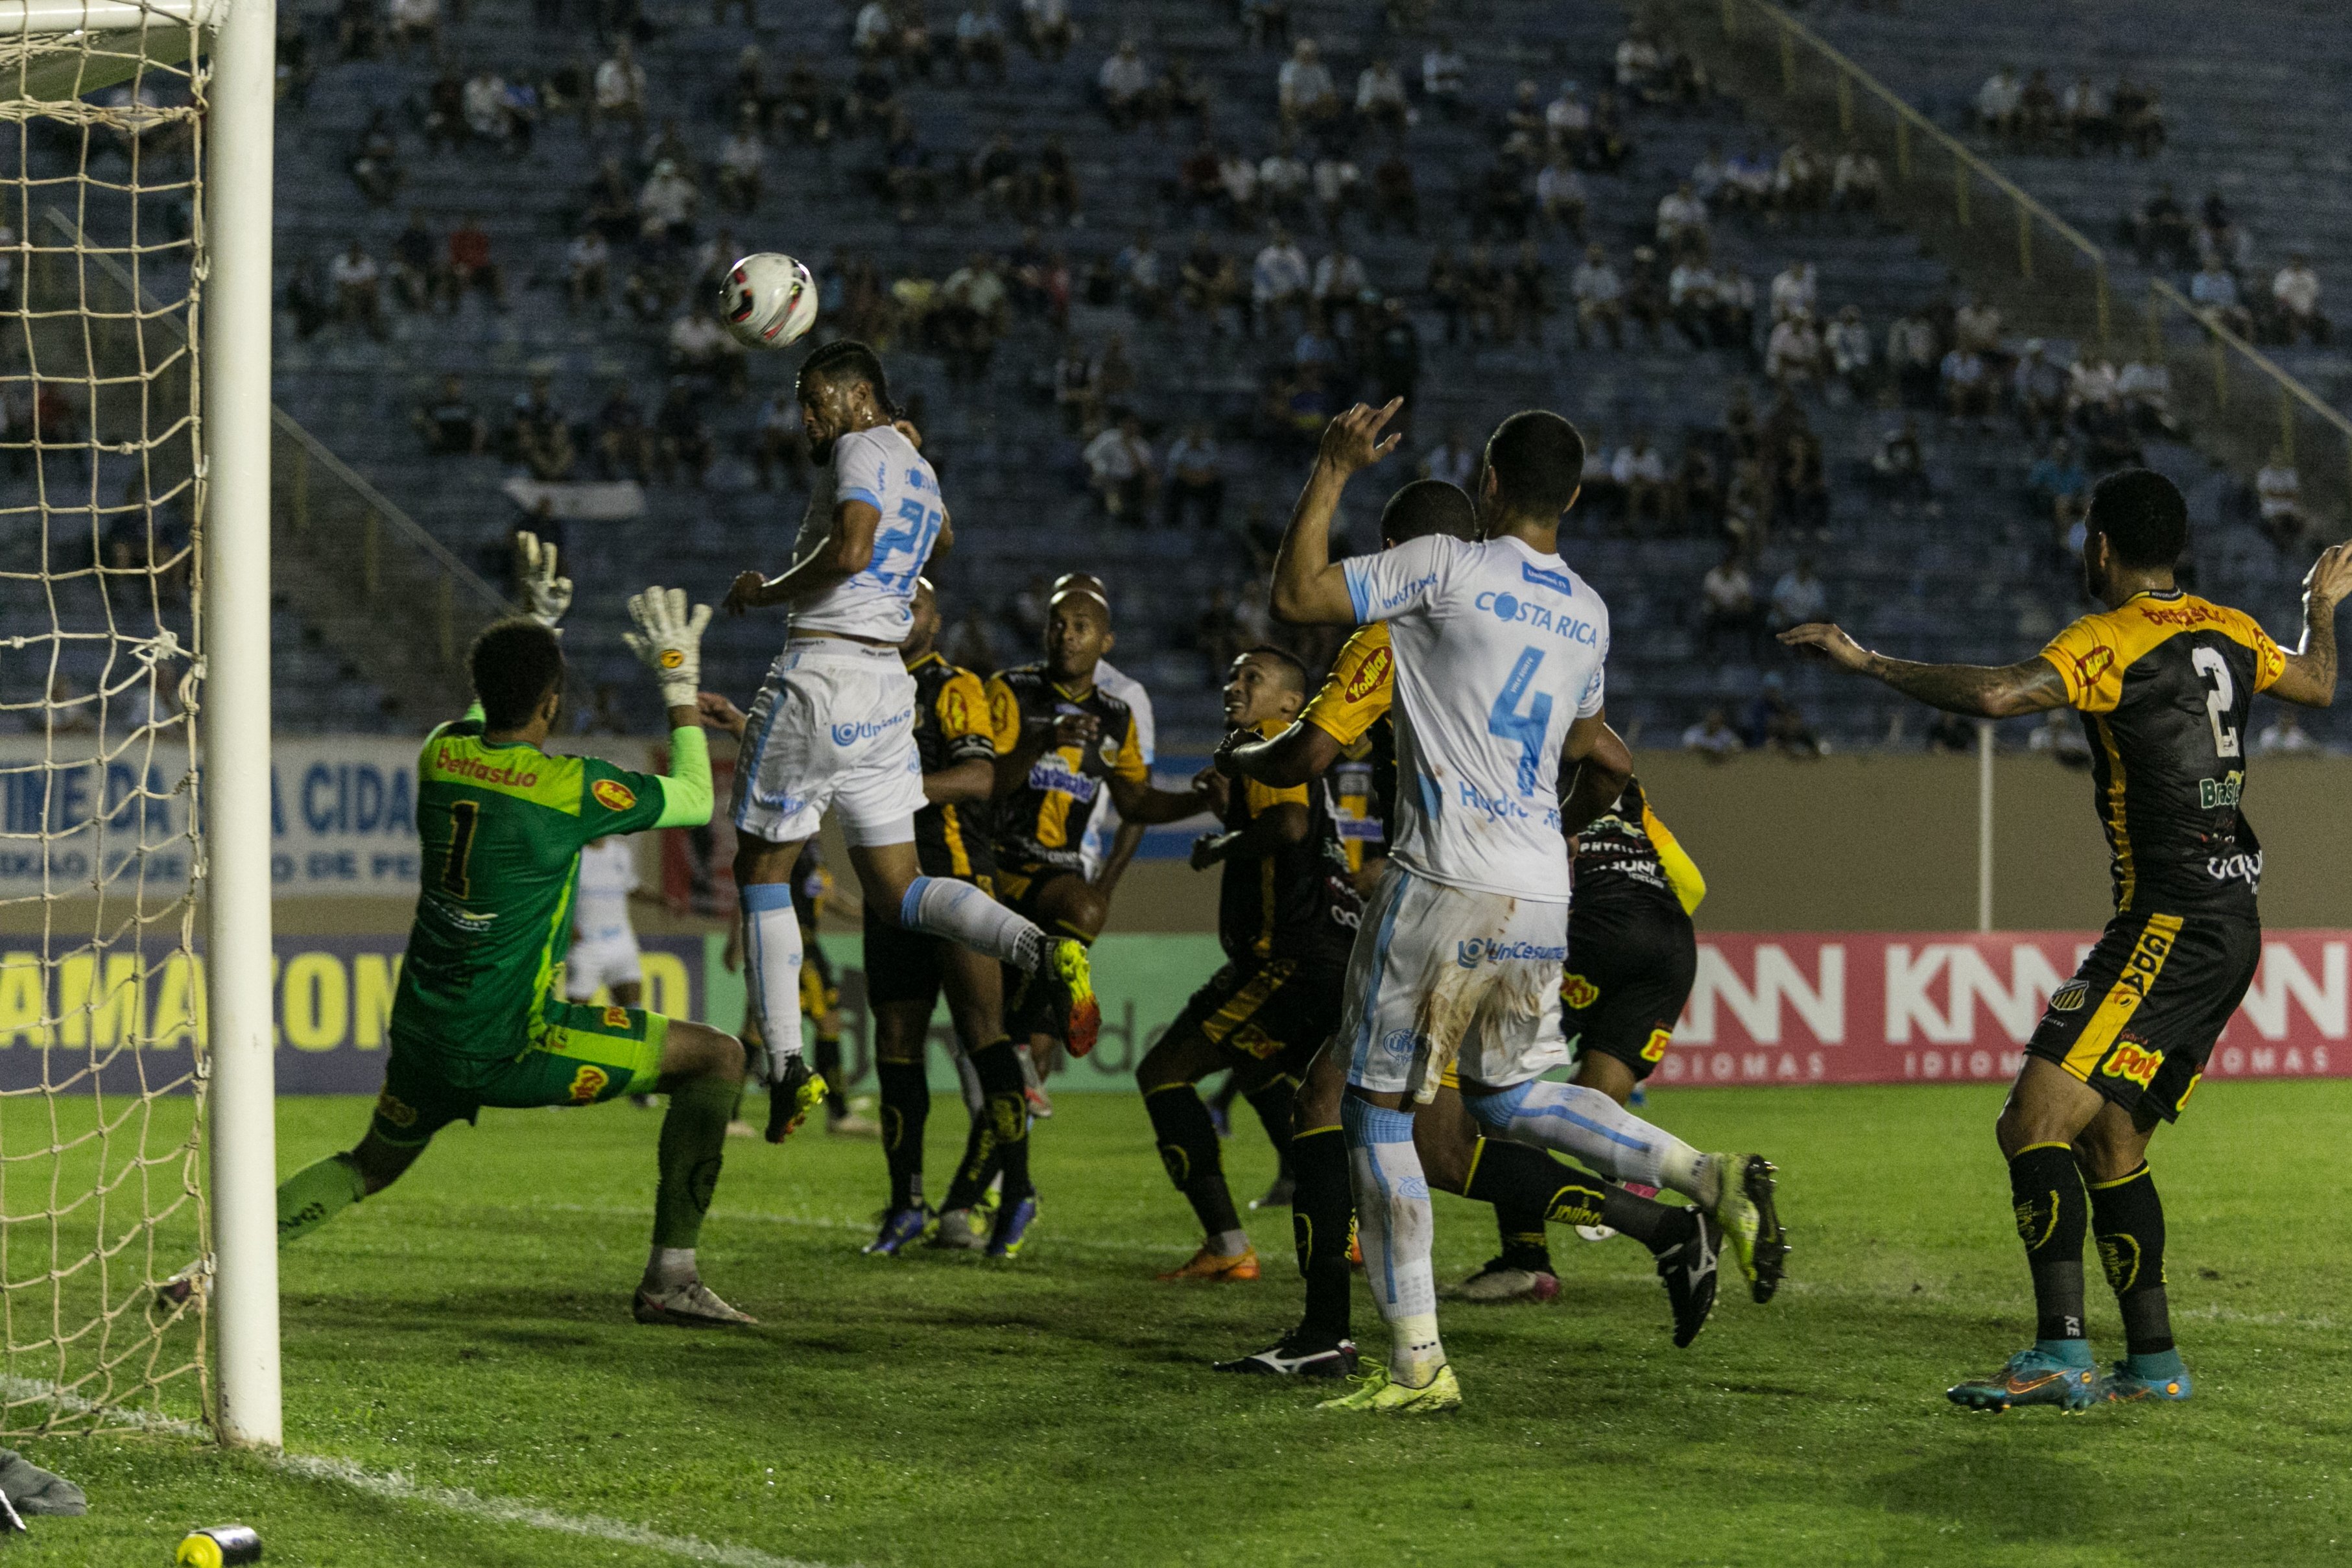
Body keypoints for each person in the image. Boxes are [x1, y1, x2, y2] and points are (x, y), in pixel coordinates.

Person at [1783, 471, 2351, 1411]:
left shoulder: (2106, 639)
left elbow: (2003, 695)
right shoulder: (2230, 628)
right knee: (2110, 1137)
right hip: (2229, 920)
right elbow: (2320, 683)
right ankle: (2154, 1360)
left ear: (2097, 548)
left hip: (2167, 923)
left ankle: (2056, 1350)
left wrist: (1869, 663)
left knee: (2032, 1118)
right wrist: (2317, 609)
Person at [1263, 401, 1787, 1411]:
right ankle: (1701, 1173)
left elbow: (1296, 591)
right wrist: (1527, 821)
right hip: (1541, 884)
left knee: (1374, 1114)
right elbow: (1593, 746)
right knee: (1507, 1098)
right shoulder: (1588, 610)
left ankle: (1417, 1363)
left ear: (1488, 484)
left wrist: (1331, 467)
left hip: (1438, 877)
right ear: (1575, 498)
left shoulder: (1441, 566)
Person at [274, 540, 765, 1325]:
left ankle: (220, 1268)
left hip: (426, 1038)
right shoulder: (567, 789)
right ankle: (671, 1277)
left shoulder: (442, 755)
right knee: (719, 1057)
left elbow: (486, 713)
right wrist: (679, 681)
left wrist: (530, 629)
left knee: (367, 1164)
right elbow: (697, 797)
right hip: (513, 1043)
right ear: (551, 706)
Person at [718, 341, 1102, 1170]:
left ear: (860, 398)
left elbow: (853, 551)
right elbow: (943, 545)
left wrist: (765, 590)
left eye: (816, 400)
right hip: (887, 688)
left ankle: (786, 1066)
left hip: (821, 669)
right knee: (898, 889)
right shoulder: (919, 468)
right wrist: (905, 457)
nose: (807, 419)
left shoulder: (859, 446)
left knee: (760, 870)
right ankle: (1043, 951)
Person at [841, 578, 1057, 1256]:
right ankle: (906, 1203)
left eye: (918, 605)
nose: (904, 615)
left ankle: (1017, 1189)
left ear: (934, 621)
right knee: (896, 1043)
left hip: (957, 877)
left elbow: (980, 778)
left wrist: (892, 791)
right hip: (888, 891)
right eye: (894, 605)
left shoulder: (955, 686)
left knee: (982, 1034)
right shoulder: (859, 688)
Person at [1138, 648, 1357, 1281]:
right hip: (1331, 957)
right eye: (1232, 676)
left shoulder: (1272, 740)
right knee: (1282, 1083)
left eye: (1251, 678)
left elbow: (1287, 826)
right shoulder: (1275, 755)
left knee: (1164, 1073)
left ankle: (1229, 1246)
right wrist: (1232, 813)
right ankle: (1350, 1234)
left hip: (1286, 959)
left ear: (1292, 703)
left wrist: (1219, 845)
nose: (1234, 686)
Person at [984, 586, 1209, 1104]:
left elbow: (1134, 803)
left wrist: (1200, 801)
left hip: (1058, 870)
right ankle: (1017, 1046)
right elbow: (987, 782)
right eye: (1057, 624)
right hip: (998, 864)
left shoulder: (1116, 715)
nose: (1065, 635)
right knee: (995, 1027)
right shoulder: (1009, 690)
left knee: (1082, 917)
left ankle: (1009, 1180)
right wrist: (1043, 740)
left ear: (1105, 641)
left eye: (1080, 625)